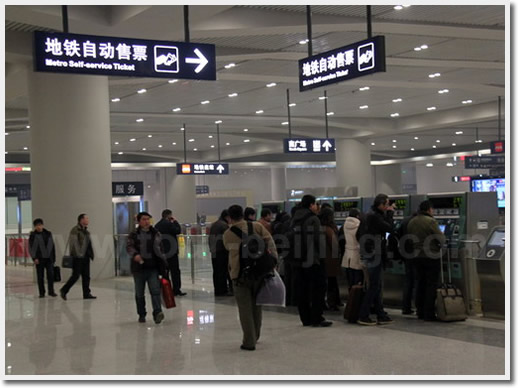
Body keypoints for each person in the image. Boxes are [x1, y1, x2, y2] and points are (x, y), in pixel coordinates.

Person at [223, 205, 278, 351]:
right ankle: (256, 335)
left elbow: (227, 248)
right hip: (259, 272)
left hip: (239, 274)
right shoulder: (257, 226)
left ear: (230, 217)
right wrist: (273, 261)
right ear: (242, 214)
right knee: (256, 305)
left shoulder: (228, 233)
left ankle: (249, 341)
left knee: (244, 308)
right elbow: (270, 242)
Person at [291, 195, 332, 327]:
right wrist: (322, 256)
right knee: (318, 289)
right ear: (311, 205)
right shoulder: (313, 219)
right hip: (312, 260)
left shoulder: (294, 218)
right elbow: (318, 240)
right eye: (315, 204)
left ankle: (305, 318)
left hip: (297, 260)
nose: (317, 207)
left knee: (302, 291)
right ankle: (317, 318)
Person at [357, 194, 395, 326]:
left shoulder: (366, 215)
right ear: (381, 204)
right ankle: (363, 314)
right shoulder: (374, 216)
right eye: (387, 204)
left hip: (369, 253)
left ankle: (380, 314)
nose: (388, 207)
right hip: (374, 254)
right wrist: (390, 214)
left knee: (376, 285)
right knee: (374, 286)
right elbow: (390, 228)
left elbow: (358, 235)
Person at [127, 212, 169, 324]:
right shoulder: (134, 234)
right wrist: (135, 255)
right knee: (139, 293)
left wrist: (164, 263)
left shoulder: (155, 233)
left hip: (153, 268)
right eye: (144, 219)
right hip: (139, 269)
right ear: (139, 221)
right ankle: (141, 314)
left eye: (148, 219)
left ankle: (157, 312)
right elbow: (129, 246)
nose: (147, 222)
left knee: (155, 291)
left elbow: (161, 249)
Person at [407, 201, 445, 321]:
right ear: (429, 210)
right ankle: (429, 313)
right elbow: (441, 238)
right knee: (431, 284)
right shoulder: (431, 221)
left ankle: (420, 311)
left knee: (420, 283)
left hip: (416, 256)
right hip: (430, 256)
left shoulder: (412, 221)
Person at [60, 214, 96, 300]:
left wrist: (91, 254)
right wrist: (79, 255)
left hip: (86, 257)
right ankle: (64, 290)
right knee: (75, 275)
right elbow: (73, 244)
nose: (88, 220)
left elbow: (88, 244)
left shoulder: (86, 231)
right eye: (86, 218)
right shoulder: (75, 230)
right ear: (81, 220)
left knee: (86, 276)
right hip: (78, 257)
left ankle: (86, 293)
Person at [155, 209, 186, 296]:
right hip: (172, 252)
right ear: (169, 216)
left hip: (162, 252)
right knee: (175, 271)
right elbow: (178, 230)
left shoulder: (157, 225)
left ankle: (166, 290)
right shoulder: (170, 224)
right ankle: (176, 290)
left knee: (165, 272)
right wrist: (175, 221)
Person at [319, 207, 342, 311]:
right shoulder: (329, 229)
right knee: (331, 283)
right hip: (331, 261)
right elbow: (334, 246)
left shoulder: (318, 227)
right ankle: (332, 303)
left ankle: (324, 302)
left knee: (324, 283)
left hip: (321, 260)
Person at [29, 218, 57, 298]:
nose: (39, 227)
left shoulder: (48, 234)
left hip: (49, 259)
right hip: (39, 259)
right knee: (40, 276)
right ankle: (42, 292)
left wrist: (53, 258)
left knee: (50, 275)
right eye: (37, 225)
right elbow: (31, 248)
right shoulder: (33, 236)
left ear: (42, 225)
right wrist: (34, 258)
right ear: (35, 226)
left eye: (40, 225)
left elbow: (52, 246)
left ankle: (51, 291)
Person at [209, 209, 233, 296]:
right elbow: (227, 239)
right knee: (223, 271)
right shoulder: (224, 226)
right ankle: (223, 290)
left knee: (216, 271)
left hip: (214, 251)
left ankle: (218, 290)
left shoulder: (214, 224)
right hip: (221, 251)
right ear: (227, 217)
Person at [398, 211, 418, 315]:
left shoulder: (404, 221)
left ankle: (406, 307)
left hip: (406, 254)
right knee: (418, 281)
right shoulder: (418, 222)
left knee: (408, 281)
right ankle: (419, 307)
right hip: (418, 255)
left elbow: (397, 235)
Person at [342, 209, 367, 290]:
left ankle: (351, 300)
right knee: (358, 282)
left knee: (350, 282)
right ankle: (357, 301)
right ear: (357, 216)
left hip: (347, 257)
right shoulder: (359, 225)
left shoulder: (344, 225)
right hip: (357, 256)